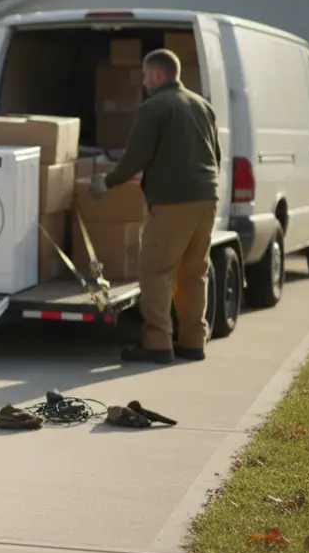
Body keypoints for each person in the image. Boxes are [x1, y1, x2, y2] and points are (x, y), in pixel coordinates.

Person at [89, 48, 221, 364]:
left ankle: (158, 344)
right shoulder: (202, 105)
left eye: (146, 76)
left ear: (158, 75)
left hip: (173, 202)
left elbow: (136, 157)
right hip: (206, 199)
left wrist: (105, 183)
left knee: (156, 271)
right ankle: (192, 342)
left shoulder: (155, 107)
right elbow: (214, 152)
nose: (144, 82)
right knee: (193, 272)